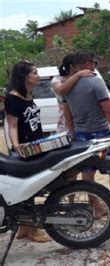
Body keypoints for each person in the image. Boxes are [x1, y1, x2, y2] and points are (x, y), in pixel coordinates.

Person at [62, 52, 110, 219]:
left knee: (87, 171)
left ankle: (96, 207)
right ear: (88, 63)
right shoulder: (95, 81)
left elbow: (66, 110)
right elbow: (108, 110)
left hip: (81, 135)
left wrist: (72, 131)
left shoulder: (67, 85)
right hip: (101, 133)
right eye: (94, 63)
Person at [4, 60, 50, 242]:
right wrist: (17, 146)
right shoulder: (13, 98)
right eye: (35, 73)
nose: (38, 76)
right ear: (24, 77)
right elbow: (12, 125)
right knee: (29, 188)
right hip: (24, 149)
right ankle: (32, 230)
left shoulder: (28, 94)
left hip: (36, 145)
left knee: (32, 186)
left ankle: (24, 228)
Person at [51, 54, 94, 133]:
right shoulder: (57, 79)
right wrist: (78, 75)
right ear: (72, 66)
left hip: (84, 121)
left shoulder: (82, 78)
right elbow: (61, 91)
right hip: (66, 123)